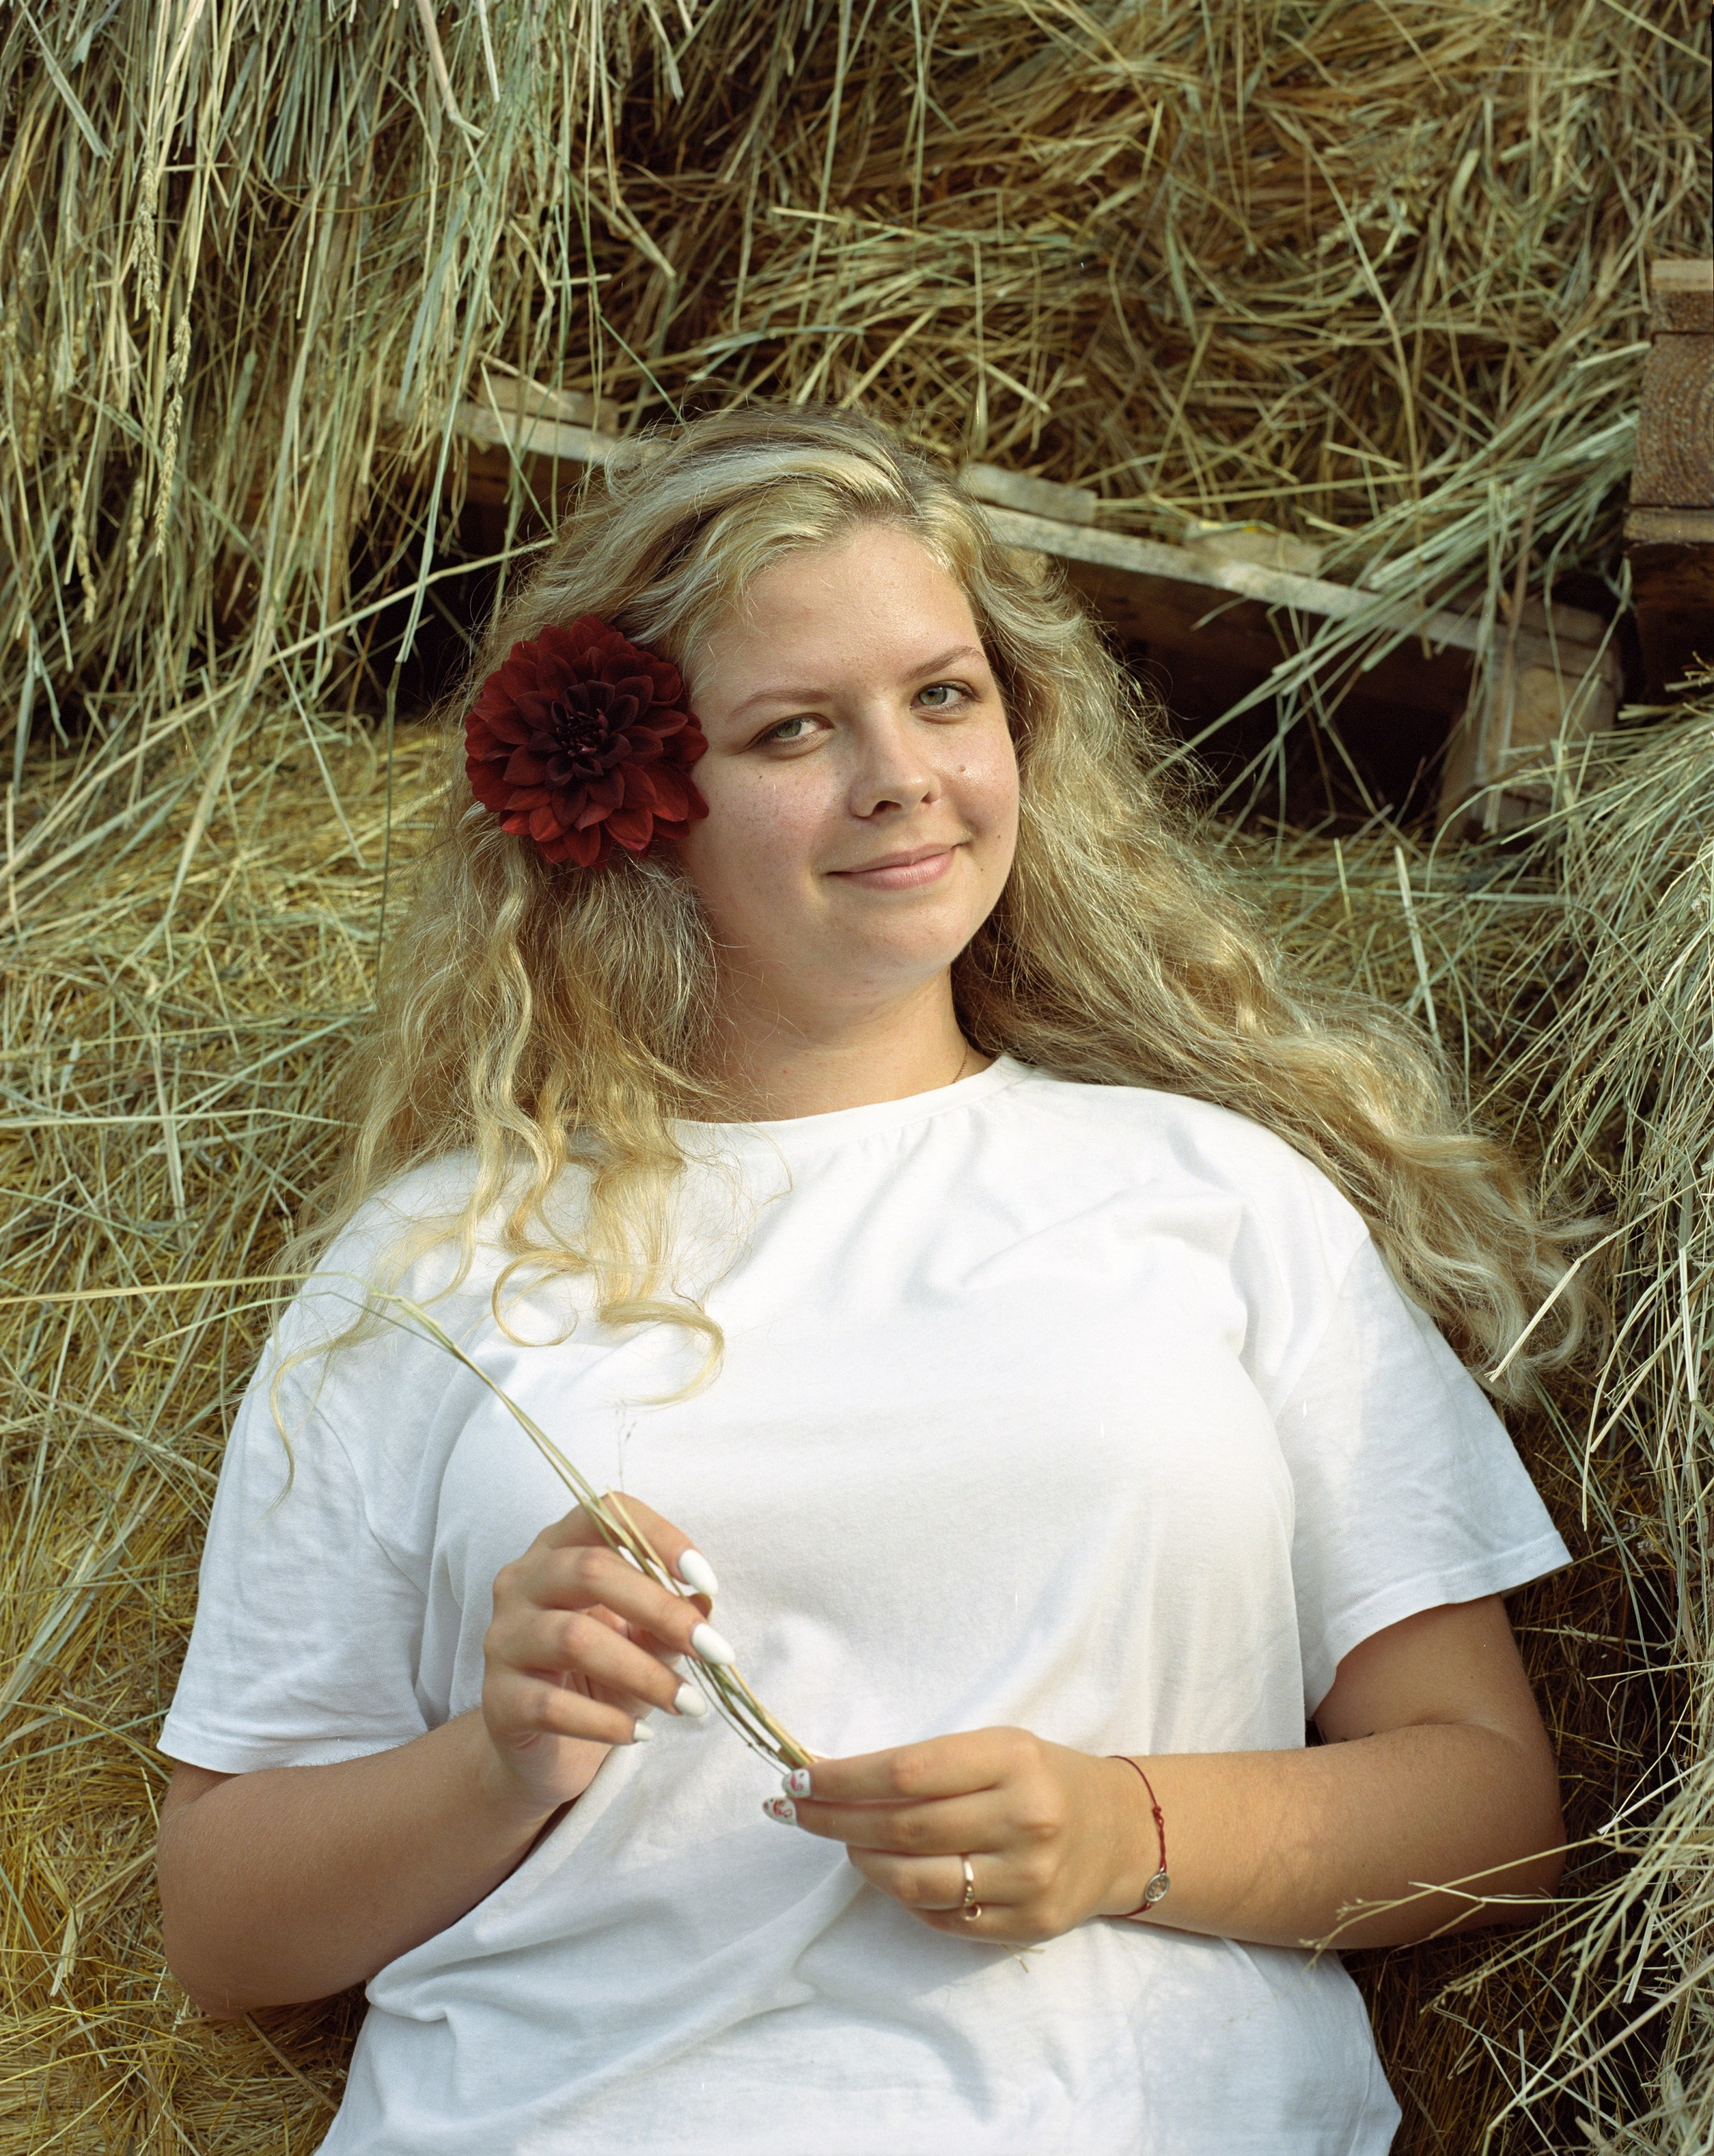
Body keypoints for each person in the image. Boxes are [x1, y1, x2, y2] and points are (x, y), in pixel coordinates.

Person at [155, 405, 1584, 2155]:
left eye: (942, 694)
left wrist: (1122, 1829)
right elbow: (221, 1922)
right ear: (640, 805)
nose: (898, 773)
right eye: (792, 730)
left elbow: (1490, 1804)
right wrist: (500, 1759)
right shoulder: (440, 1258)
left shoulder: (1214, 1196)